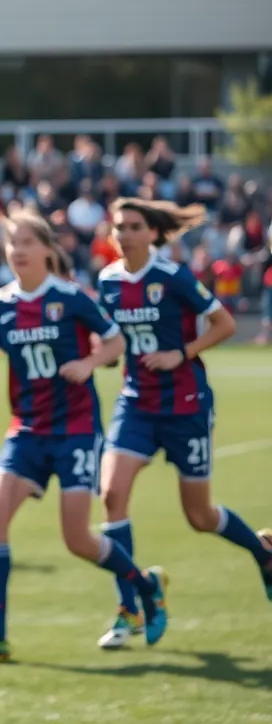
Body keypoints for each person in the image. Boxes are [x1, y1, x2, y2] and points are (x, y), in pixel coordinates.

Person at [0, 211, 168, 662]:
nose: (19, 251)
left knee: (77, 539)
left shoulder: (70, 298)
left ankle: (146, 586)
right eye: (13, 244)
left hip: (76, 430)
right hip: (26, 430)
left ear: (47, 248)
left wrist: (88, 363)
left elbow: (115, 341)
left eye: (28, 242)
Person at [95, 199, 270, 649]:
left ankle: (263, 552)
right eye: (120, 227)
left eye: (135, 226)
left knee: (199, 515)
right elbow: (113, 336)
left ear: (152, 234)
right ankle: (131, 605)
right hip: (135, 403)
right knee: (111, 494)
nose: (126, 234)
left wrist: (182, 352)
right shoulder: (108, 280)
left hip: (185, 405)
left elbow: (224, 323)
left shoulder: (172, 277)